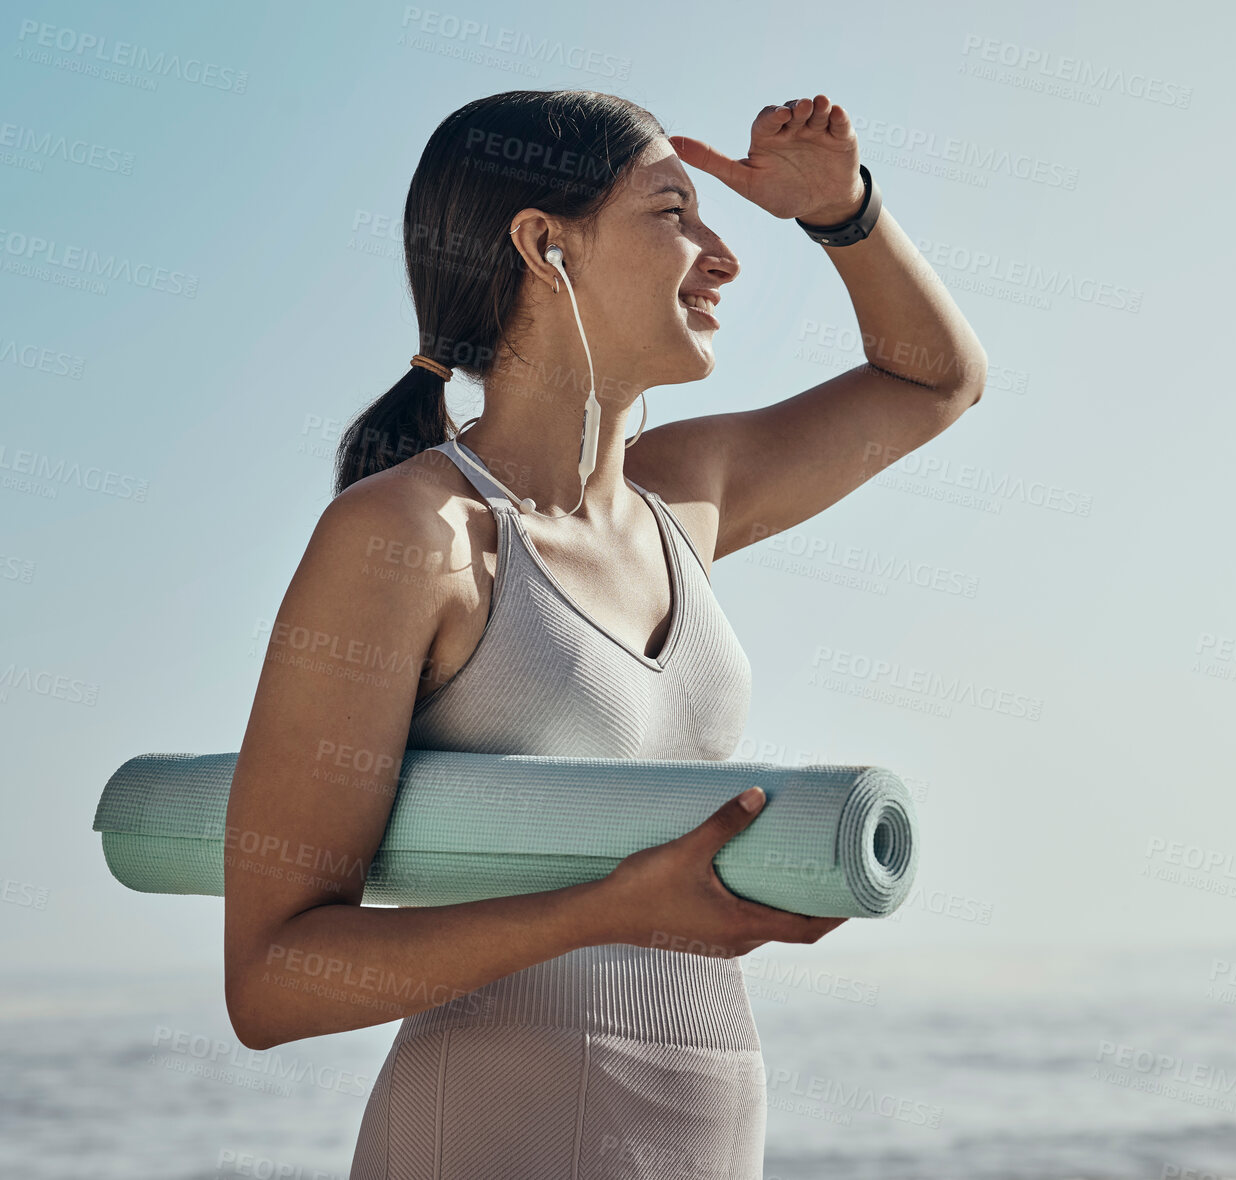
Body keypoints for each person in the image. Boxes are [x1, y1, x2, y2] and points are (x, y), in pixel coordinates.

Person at [222, 88, 987, 1178]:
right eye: (675, 213)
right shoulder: (408, 535)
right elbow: (272, 975)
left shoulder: (684, 500)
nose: (723, 256)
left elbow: (936, 379)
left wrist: (841, 214)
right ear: (545, 246)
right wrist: (605, 909)